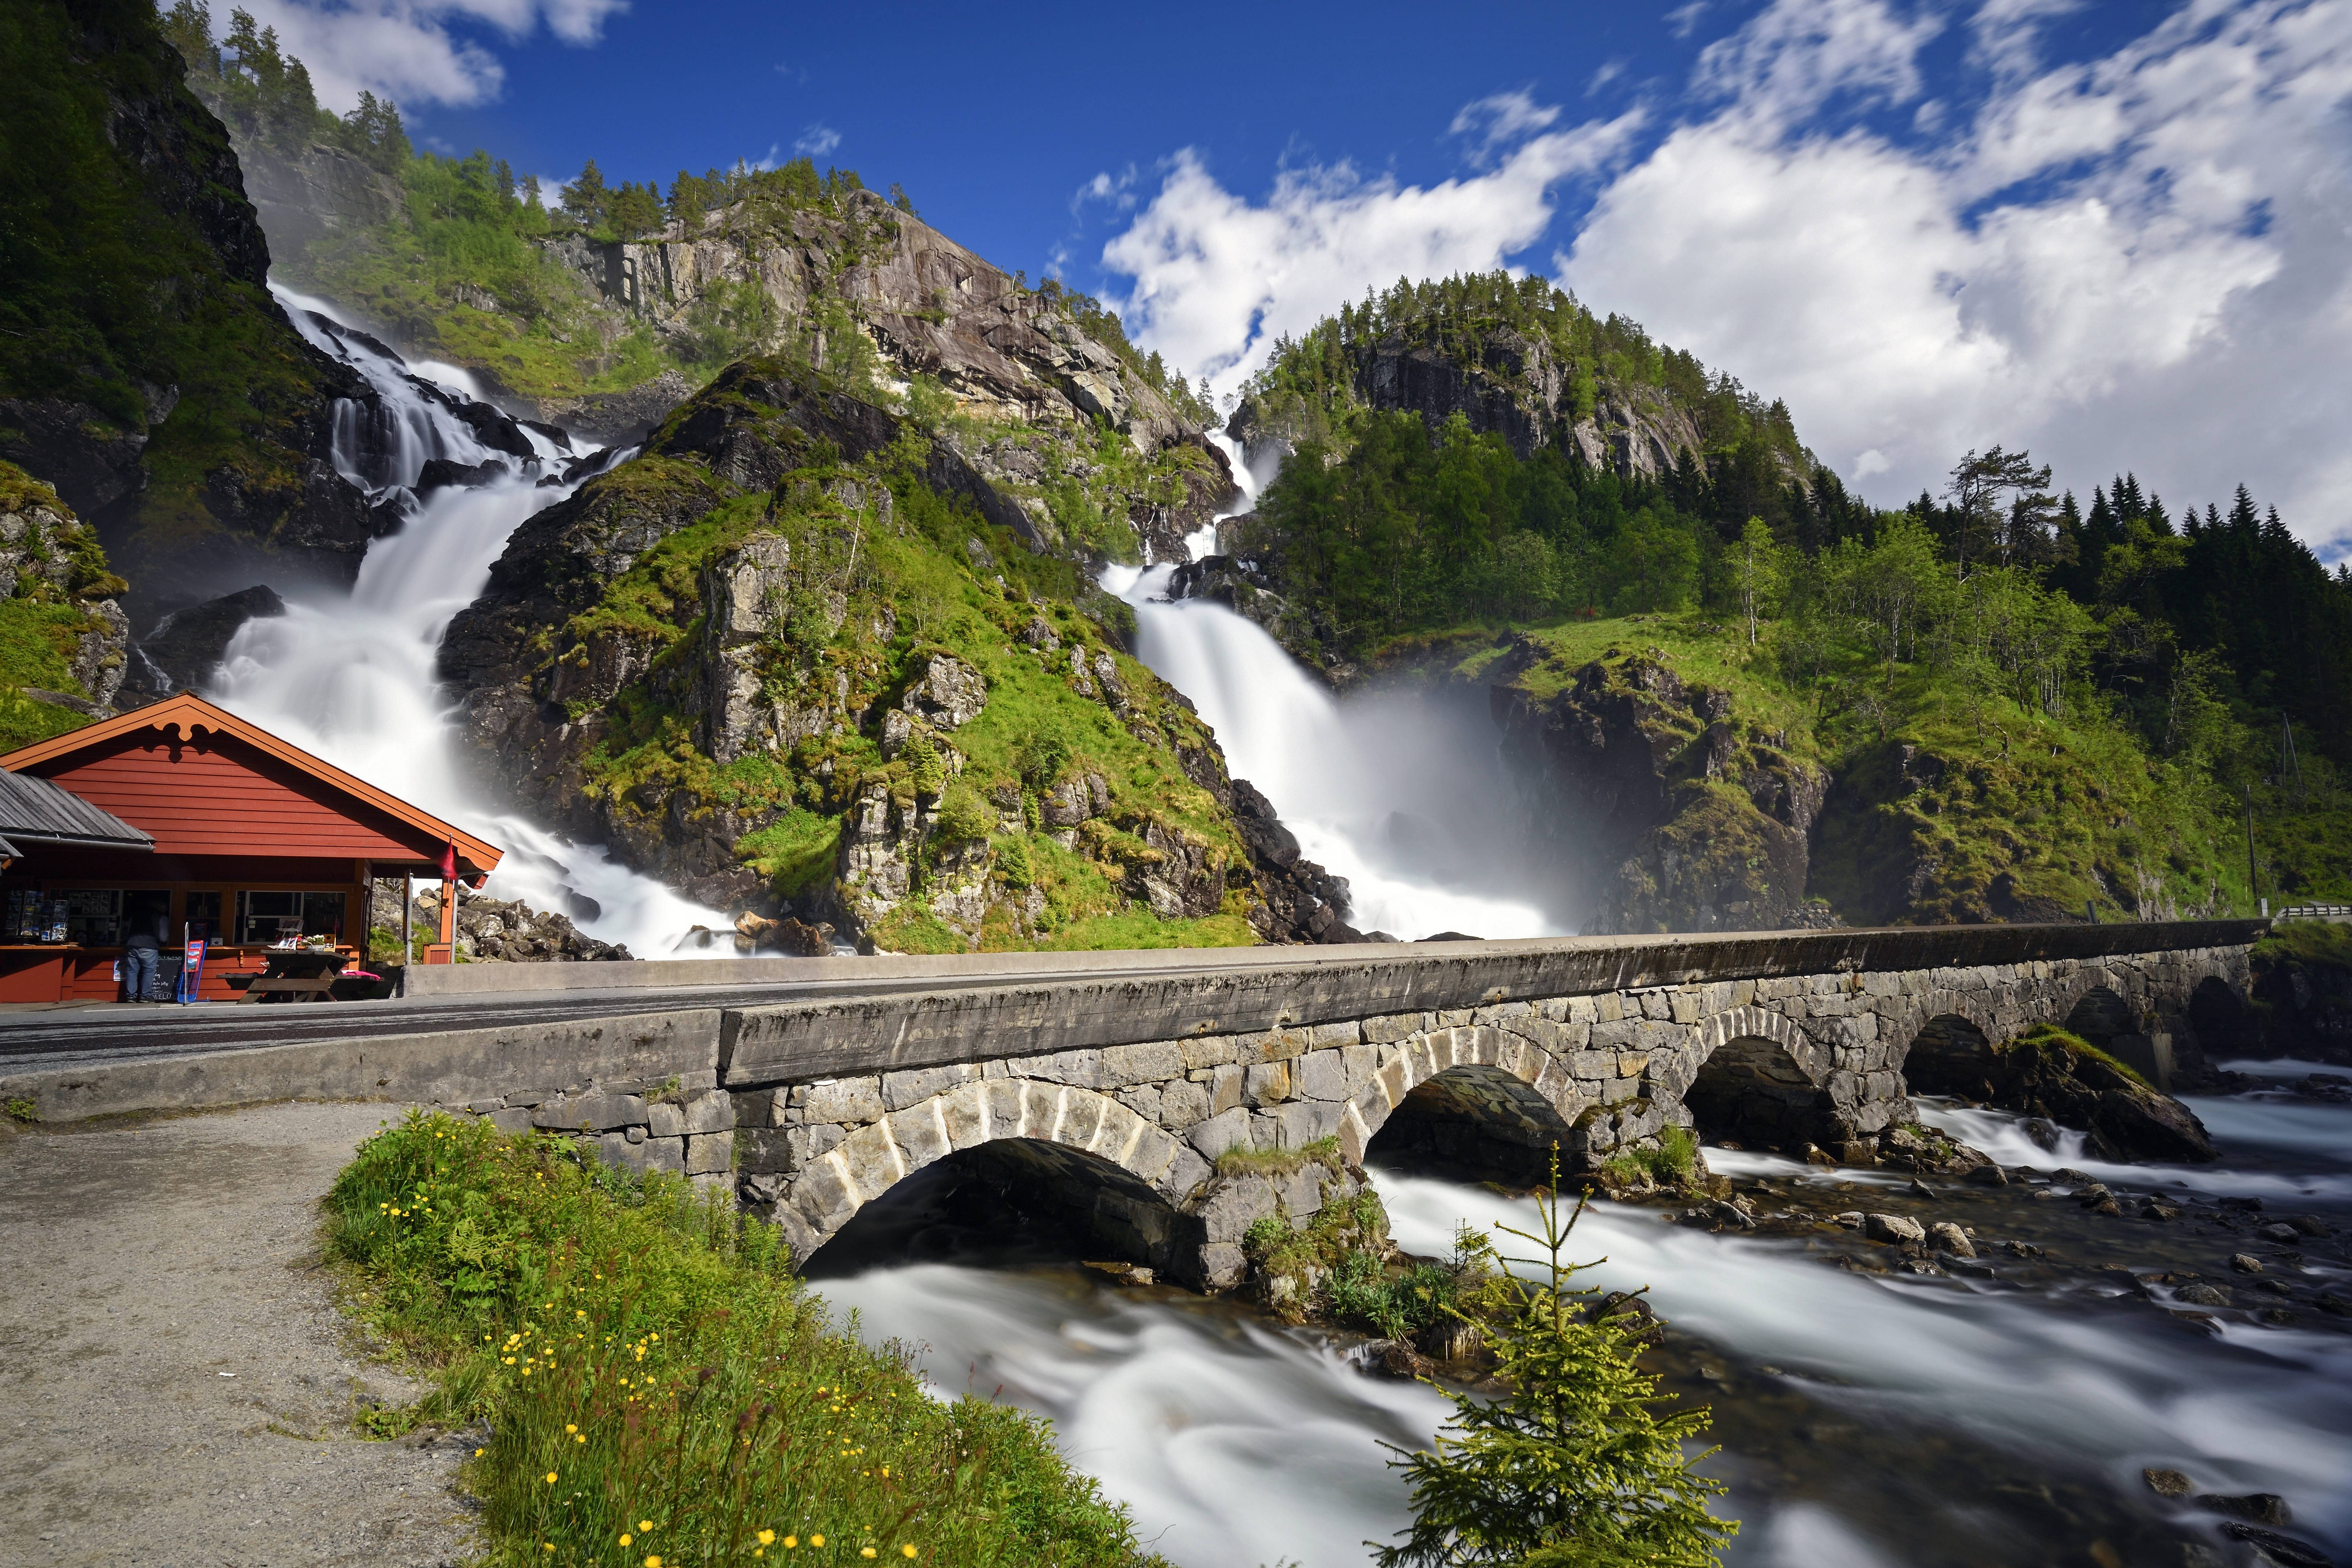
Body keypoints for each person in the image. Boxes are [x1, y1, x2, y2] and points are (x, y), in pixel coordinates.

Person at [122, 909, 164, 1003]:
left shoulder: (135, 914)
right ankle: (145, 996)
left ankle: (131, 997)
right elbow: (162, 935)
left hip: (132, 944)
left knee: (132, 971)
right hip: (149, 945)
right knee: (149, 971)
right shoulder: (156, 916)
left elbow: (126, 928)